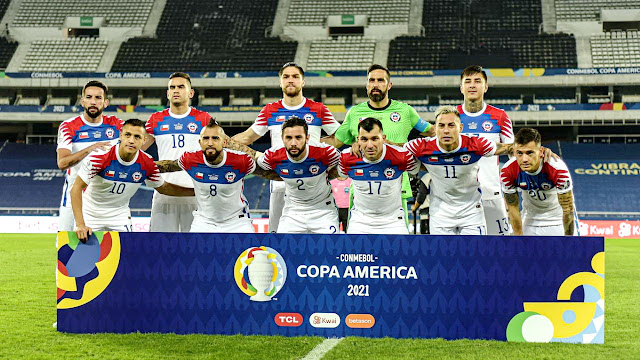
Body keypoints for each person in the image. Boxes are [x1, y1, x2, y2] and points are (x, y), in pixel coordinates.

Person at [227, 62, 340, 232]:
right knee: (278, 240)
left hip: (313, 181)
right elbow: (246, 137)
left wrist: (316, 149)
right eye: (286, 77)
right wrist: (223, 144)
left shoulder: (318, 109)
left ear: (303, 82)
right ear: (280, 82)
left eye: (295, 76)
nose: (290, 80)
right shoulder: (270, 110)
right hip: (281, 181)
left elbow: (340, 137)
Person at [322, 64, 434, 226]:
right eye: (371, 80)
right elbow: (334, 141)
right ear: (367, 85)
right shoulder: (354, 113)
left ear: (389, 85)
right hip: (361, 188)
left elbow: (431, 132)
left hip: (396, 188)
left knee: (396, 244)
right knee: (357, 246)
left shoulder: (405, 111)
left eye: (380, 80)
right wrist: (305, 142)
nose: (375, 84)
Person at [71, 119, 195, 242]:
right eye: (128, 135)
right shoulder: (100, 157)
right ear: (120, 135)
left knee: (125, 260)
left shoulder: (147, 163)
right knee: (84, 259)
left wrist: (196, 192)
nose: (131, 140)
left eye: (137, 137)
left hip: (119, 217)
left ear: (144, 141)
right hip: (90, 215)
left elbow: (164, 188)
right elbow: (76, 188)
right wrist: (80, 224)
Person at [155, 119, 281, 233]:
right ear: (200, 142)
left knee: (246, 258)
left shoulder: (241, 161)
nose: (210, 143)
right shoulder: (190, 159)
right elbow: (168, 166)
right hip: (203, 223)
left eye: (215, 138)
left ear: (225, 142)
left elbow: (271, 174)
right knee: (195, 257)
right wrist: (141, 165)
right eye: (206, 138)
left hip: (237, 222)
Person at [404, 106, 512, 235]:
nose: (446, 131)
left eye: (451, 125)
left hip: (471, 212)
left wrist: (539, 150)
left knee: (473, 254)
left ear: (460, 128)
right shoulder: (421, 146)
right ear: (435, 128)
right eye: (441, 126)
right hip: (440, 214)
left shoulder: (474, 144)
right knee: (444, 255)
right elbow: (396, 152)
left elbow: (507, 148)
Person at [142, 72, 211, 232]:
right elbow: (136, 149)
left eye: (181, 87)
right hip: (164, 193)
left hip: (195, 194)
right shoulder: (156, 119)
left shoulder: (204, 119)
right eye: (172, 87)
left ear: (191, 93)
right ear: (167, 93)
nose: (176, 91)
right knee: (161, 248)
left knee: (194, 249)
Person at [56, 80, 124, 231]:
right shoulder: (68, 127)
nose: (93, 102)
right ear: (82, 101)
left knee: (112, 250)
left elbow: (136, 143)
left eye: (98, 98)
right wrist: (90, 149)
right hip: (75, 195)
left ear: (105, 102)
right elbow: (62, 163)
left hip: (105, 198)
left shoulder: (117, 125)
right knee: (68, 250)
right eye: (89, 97)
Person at [256, 116, 340, 234]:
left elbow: (344, 162)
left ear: (307, 138)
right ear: (282, 138)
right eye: (288, 138)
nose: (293, 143)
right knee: (283, 250)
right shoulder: (272, 155)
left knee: (330, 249)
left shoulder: (325, 153)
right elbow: (259, 165)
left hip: (323, 211)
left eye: (298, 137)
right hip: (292, 212)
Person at [457, 65, 514, 235]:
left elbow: (513, 152)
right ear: (461, 87)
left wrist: (510, 192)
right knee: (463, 252)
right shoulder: (451, 117)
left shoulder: (500, 116)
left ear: (485, 87)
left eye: (477, 81)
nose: (472, 85)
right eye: (467, 81)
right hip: (459, 196)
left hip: (492, 194)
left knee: (499, 249)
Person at [338, 118, 419, 234]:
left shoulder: (401, 156)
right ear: (358, 140)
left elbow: (419, 167)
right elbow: (336, 174)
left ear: (383, 138)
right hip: (360, 222)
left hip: (393, 222)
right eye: (364, 139)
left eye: (375, 139)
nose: (370, 145)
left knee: (401, 251)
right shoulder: (347, 157)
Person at [501, 128, 577, 236]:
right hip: (529, 219)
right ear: (514, 151)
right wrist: (518, 238)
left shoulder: (557, 168)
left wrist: (568, 240)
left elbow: (567, 209)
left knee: (568, 251)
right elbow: (513, 207)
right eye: (519, 153)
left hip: (558, 219)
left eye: (529, 153)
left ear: (541, 151)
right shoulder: (508, 171)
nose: (524, 159)